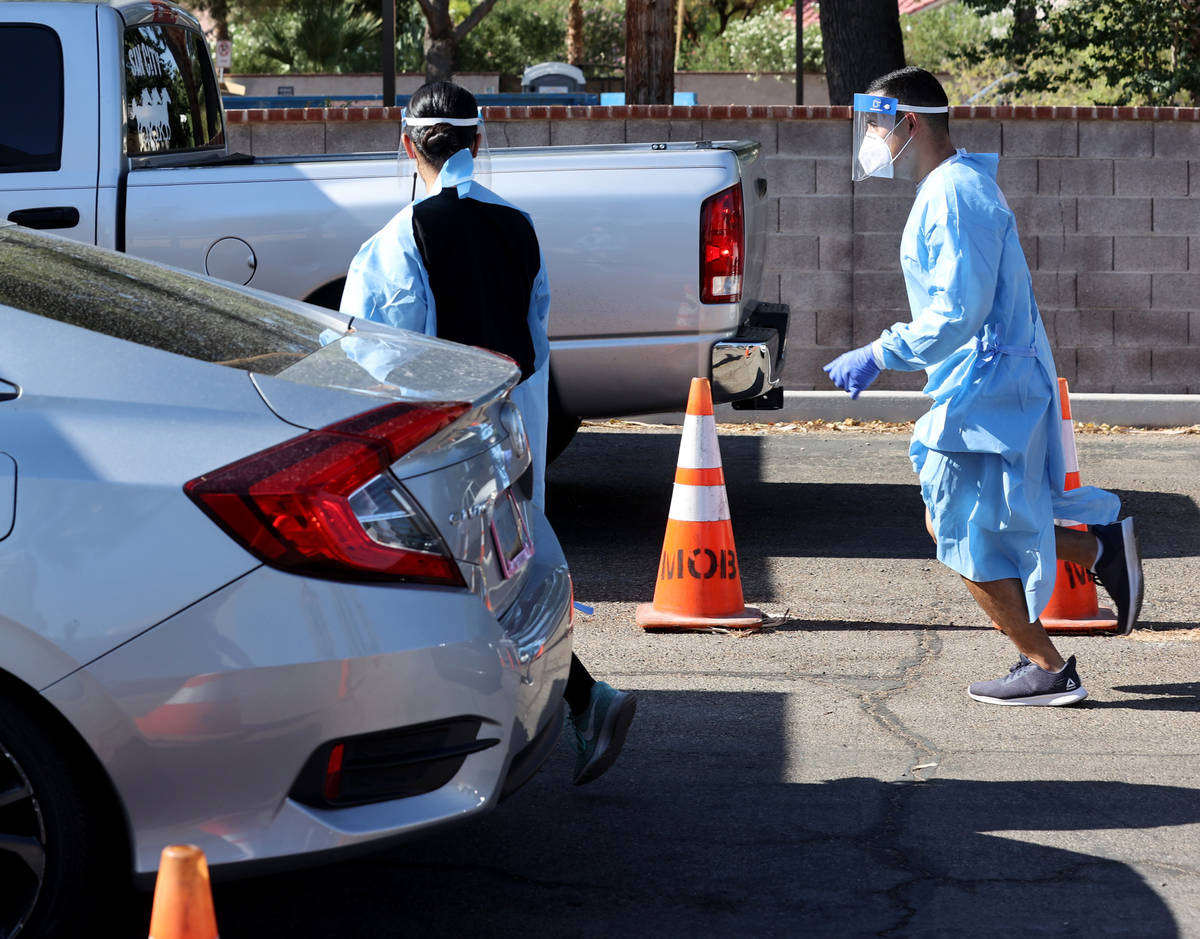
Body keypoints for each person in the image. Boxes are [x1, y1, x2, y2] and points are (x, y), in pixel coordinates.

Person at [341, 81, 636, 780]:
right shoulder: (519, 227)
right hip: (511, 442)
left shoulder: (393, 243)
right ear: (481, 139)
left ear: (406, 143)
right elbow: (534, 345)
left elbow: (374, 365)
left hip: (435, 456)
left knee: (447, 604)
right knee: (501, 589)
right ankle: (583, 701)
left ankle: (474, 743)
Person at [824, 67, 1144, 707]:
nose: (874, 139)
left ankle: (1049, 668)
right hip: (991, 389)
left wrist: (882, 350)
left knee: (962, 531)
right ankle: (1095, 544)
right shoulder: (959, 185)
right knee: (979, 523)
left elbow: (955, 313)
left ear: (909, 122)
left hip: (988, 391)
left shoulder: (954, 195)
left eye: (879, 125)